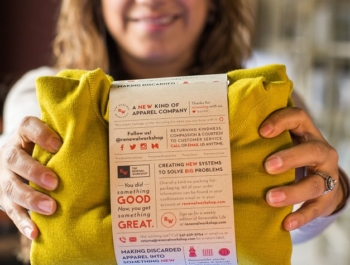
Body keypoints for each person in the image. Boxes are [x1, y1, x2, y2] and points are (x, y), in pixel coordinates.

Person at [0, 0, 349, 253]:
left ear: (214, 5)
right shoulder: (42, 91)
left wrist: (334, 190)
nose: (152, 2)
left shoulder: (265, 99)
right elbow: (22, 127)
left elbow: (290, 222)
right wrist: (8, 159)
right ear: (95, 6)